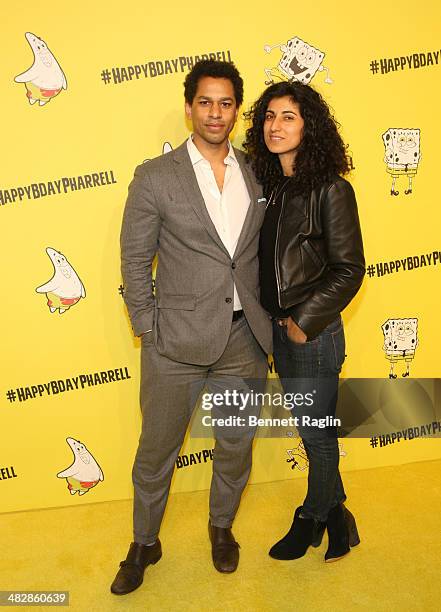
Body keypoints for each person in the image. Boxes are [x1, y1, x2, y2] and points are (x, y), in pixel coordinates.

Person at [111, 60, 272, 595]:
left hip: (242, 341)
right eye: (205, 102)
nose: (215, 113)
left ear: (237, 111)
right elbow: (135, 260)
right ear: (188, 108)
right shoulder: (155, 176)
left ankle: (221, 528)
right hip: (173, 344)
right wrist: (147, 328)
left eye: (226, 103)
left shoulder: (257, 173)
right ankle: (143, 541)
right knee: (156, 450)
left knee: (234, 444)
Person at [243, 81, 365, 563]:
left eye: (288, 116)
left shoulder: (331, 189)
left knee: (315, 435)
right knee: (314, 433)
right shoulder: (272, 189)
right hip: (279, 331)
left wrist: (303, 322)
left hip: (311, 336)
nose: (275, 125)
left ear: (308, 125)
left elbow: (349, 268)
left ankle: (311, 517)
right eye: (270, 116)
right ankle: (339, 517)